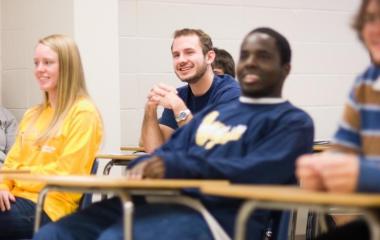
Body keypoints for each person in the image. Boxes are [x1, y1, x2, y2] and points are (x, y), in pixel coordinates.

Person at [33, 27, 314, 240]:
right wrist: (144, 165)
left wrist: (178, 164)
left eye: (263, 57)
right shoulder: (217, 116)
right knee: (53, 235)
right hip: (163, 202)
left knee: (114, 237)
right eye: (246, 57)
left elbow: (257, 171)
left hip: (216, 216)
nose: (251, 64)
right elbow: (165, 152)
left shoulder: (292, 122)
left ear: (284, 69)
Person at [0, 34, 103, 239]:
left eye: (47, 63)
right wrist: (2, 185)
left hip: (50, 206)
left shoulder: (83, 113)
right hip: (16, 198)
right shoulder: (33, 113)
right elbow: (11, 162)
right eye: (36, 63)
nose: (39, 69)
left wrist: (18, 176)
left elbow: (64, 175)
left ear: (67, 67)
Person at [296, 0, 380, 239]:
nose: (374, 29)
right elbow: (344, 150)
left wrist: (361, 174)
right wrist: (322, 170)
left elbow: (359, 171)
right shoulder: (366, 83)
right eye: (370, 19)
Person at [140, 28, 240, 153]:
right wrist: (150, 107)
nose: (181, 60)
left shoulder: (231, 94)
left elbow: (208, 149)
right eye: (176, 55)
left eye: (189, 52)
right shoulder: (179, 95)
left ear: (209, 57)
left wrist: (178, 107)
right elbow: (155, 151)